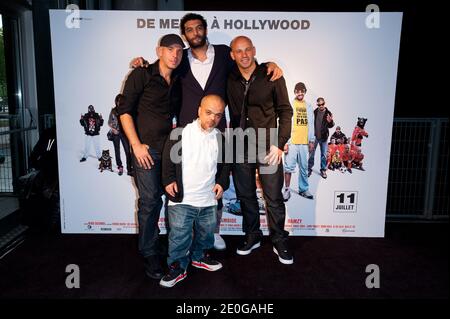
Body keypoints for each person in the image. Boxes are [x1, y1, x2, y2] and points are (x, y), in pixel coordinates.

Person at [132, 12, 283, 252]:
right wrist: (141, 63)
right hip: (185, 133)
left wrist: (269, 65)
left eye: (198, 28)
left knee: (215, 180)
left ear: (205, 29)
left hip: (218, 131)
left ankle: (212, 231)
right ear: (185, 35)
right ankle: (181, 234)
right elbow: (158, 68)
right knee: (184, 180)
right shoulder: (179, 60)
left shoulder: (224, 53)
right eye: (189, 30)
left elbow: (247, 65)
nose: (195, 33)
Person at [117, 33, 184, 280]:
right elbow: (124, 112)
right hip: (146, 149)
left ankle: (166, 243)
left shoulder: (179, 76)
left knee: (174, 198)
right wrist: (136, 145)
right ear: (159, 51)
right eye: (170, 49)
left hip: (173, 150)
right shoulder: (141, 74)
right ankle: (149, 251)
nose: (175, 54)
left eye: (179, 50)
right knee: (150, 201)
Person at [227, 35, 294, 264]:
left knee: (273, 197)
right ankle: (252, 235)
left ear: (254, 50)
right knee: (246, 196)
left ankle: (279, 239)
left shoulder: (271, 75)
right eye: (238, 51)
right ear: (232, 55)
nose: (244, 55)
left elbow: (285, 111)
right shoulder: (229, 77)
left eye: (247, 50)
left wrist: (280, 142)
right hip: (239, 146)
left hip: (268, 146)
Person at [159, 95, 231, 288]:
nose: (212, 119)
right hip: (182, 200)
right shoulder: (181, 133)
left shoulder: (220, 138)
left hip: (208, 200)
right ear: (199, 110)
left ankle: (200, 258)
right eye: (208, 113)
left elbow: (225, 166)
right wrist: (168, 180)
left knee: (206, 235)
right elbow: (167, 159)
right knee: (179, 237)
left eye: (218, 115)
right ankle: (177, 267)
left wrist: (222, 184)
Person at [283, 82, 315, 200]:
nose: (300, 93)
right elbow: (285, 124)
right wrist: (285, 142)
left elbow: (311, 124)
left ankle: (304, 189)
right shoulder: (290, 105)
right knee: (288, 167)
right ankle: (286, 190)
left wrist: (311, 140)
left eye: (302, 91)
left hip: (304, 143)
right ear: (295, 92)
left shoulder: (309, 106)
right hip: (292, 142)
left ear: (305, 92)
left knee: (304, 167)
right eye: (298, 91)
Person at [308, 97, 334, 179]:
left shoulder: (328, 113)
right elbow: (311, 124)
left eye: (322, 104)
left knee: (324, 155)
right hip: (315, 137)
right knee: (311, 153)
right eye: (319, 105)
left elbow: (331, 125)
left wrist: (331, 122)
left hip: (323, 138)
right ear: (317, 105)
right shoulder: (314, 112)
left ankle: (323, 170)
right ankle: (309, 168)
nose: (321, 106)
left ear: (324, 103)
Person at [107, 94, 133, 176]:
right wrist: (114, 130)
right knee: (117, 151)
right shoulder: (113, 111)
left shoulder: (126, 110)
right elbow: (109, 122)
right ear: (116, 101)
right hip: (116, 134)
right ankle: (120, 167)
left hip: (124, 133)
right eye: (118, 101)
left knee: (127, 151)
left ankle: (129, 169)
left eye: (121, 101)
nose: (119, 102)